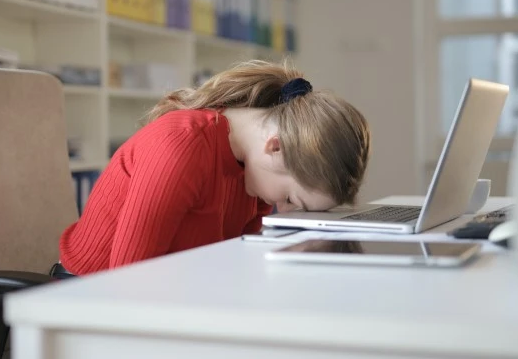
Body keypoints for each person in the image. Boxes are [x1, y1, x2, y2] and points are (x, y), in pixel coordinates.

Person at [57, 59, 371, 276]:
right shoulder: (181, 146)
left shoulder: (255, 173)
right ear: (275, 147)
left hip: (168, 292)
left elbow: (233, 264)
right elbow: (128, 284)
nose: (284, 212)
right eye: (291, 200)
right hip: (87, 298)